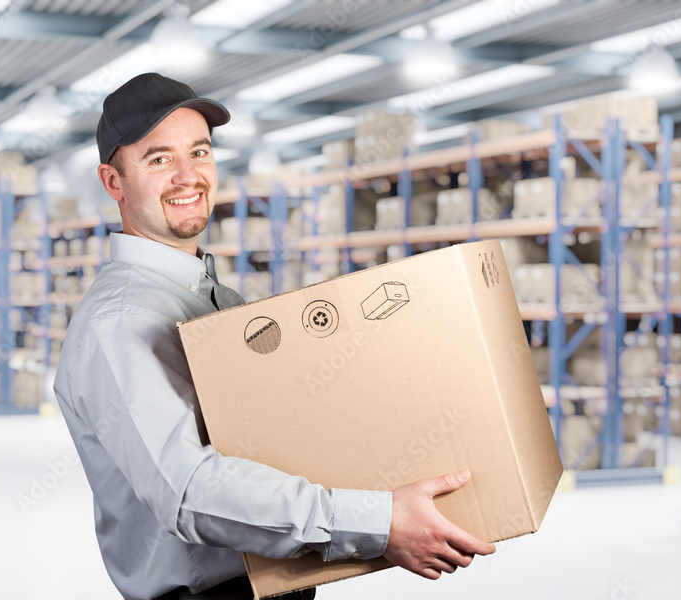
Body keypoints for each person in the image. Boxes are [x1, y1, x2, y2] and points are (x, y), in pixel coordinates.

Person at [53, 73, 495, 600]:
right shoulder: (121, 320)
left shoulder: (217, 300)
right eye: (159, 159)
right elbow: (187, 492)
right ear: (114, 182)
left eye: (200, 151)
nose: (189, 176)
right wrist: (376, 521)